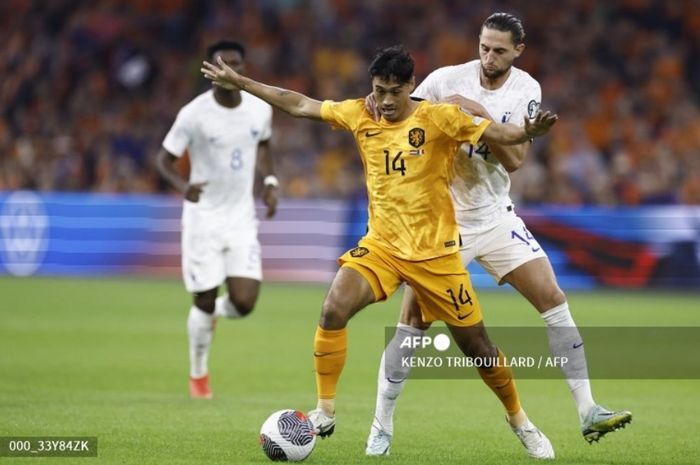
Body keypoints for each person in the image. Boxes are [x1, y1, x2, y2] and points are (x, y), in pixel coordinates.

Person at [202, 45, 558, 459]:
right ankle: (325, 410)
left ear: (411, 85)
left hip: (436, 256)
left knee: (477, 346)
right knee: (334, 308)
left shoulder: (440, 118)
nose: (386, 101)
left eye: (394, 91)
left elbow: (500, 135)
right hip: (382, 247)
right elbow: (299, 104)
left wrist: (528, 133)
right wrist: (242, 83)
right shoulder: (360, 113)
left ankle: (520, 421)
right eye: (379, 90)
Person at [364, 13, 632, 456]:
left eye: (499, 51)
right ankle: (381, 426)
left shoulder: (526, 90)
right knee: (411, 324)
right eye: (484, 47)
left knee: (553, 298)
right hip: (442, 224)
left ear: (518, 51)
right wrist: (377, 104)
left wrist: (479, 113)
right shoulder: (445, 79)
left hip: (494, 216)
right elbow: (396, 107)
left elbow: (515, 161)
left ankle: (588, 410)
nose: (489, 57)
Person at [156, 40, 278, 399]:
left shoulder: (259, 109)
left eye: (235, 64)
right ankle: (199, 376)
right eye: (220, 65)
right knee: (204, 299)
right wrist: (183, 186)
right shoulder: (193, 114)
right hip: (203, 218)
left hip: (241, 218)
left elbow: (265, 145)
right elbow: (163, 159)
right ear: (209, 71)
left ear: (242, 68)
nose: (228, 71)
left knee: (245, 302)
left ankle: (210, 320)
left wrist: (270, 182)